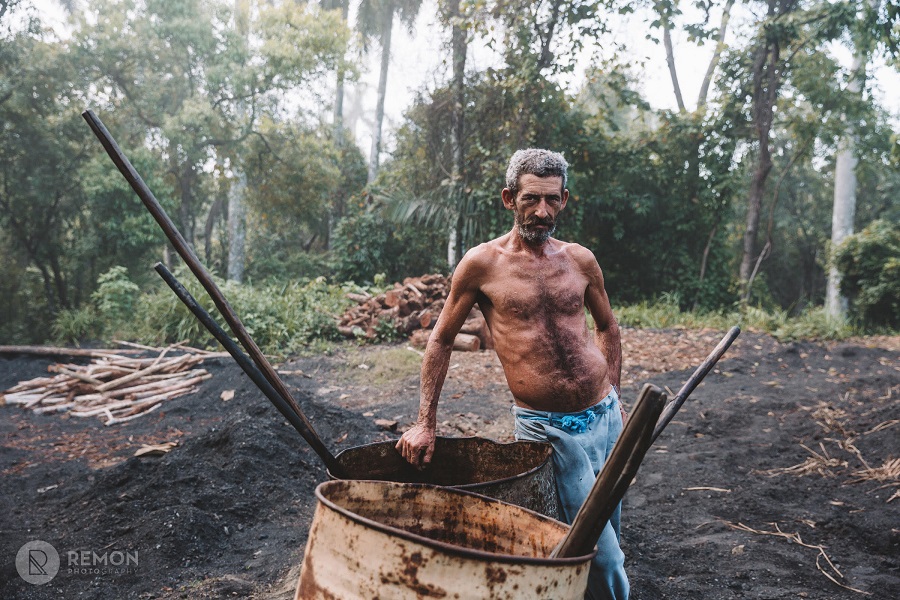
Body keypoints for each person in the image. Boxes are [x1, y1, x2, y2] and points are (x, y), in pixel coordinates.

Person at [395, 148, 628, 600]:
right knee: (598, 552)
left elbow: (608, 326)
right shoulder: (482, 265)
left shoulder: (581, 260)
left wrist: (614, 392)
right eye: (531, 199)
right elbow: (441, 340)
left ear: (565, 199)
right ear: (509, 198)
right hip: (547, 429)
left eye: (553, 200)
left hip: (605, 419)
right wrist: (425, 421)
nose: (543, 211)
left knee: (607, 528)